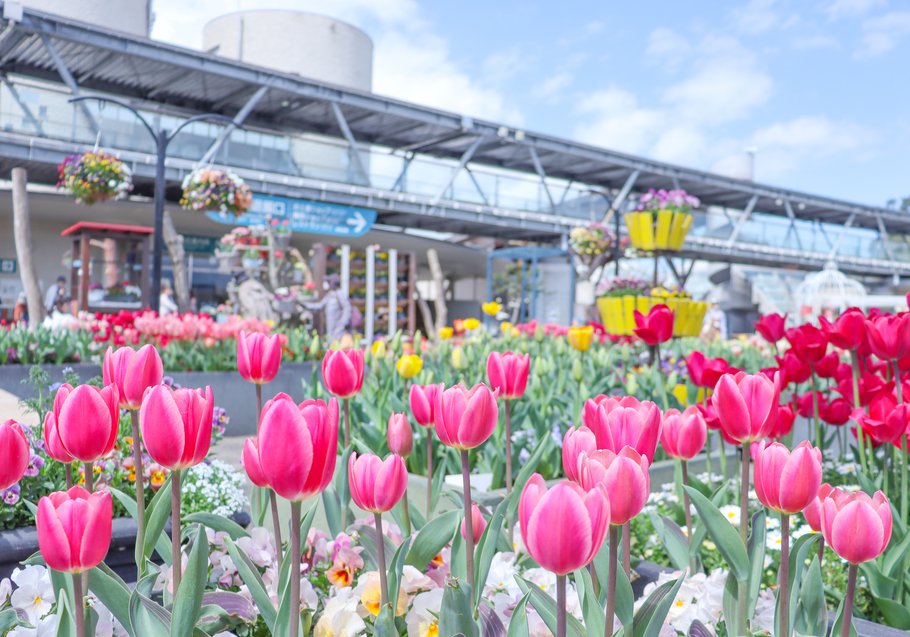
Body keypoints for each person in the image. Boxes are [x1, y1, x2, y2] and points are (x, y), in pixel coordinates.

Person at [305, 274, 352, 343]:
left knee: (337, 342)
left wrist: (343, 323)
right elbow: (320, 306)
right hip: (330, 325)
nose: (326, 284)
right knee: (330, 341)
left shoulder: (339, 294)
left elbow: (347, 308)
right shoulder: (329, 295)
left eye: (328, 282)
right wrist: (306, 305)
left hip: (338, 326)